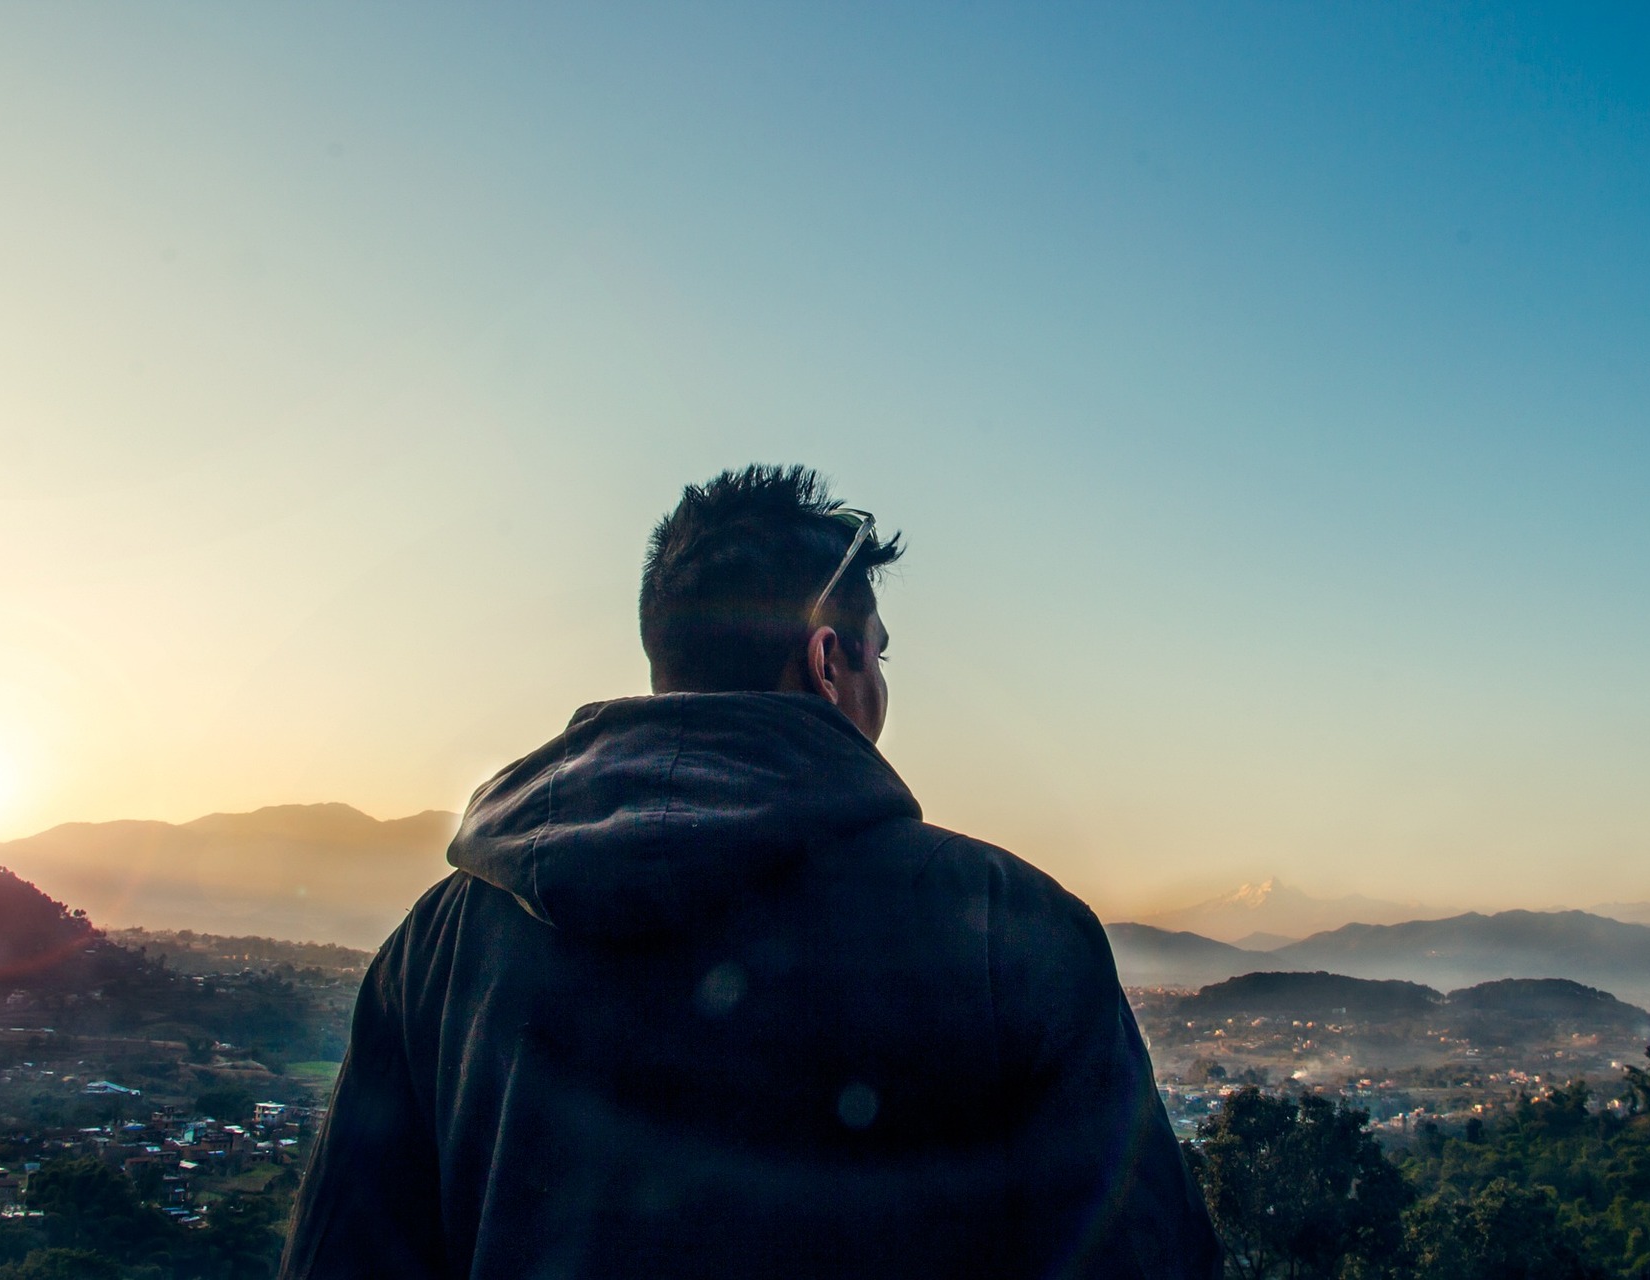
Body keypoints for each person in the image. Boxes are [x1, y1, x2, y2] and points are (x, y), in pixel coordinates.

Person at [281, 465, 1222, 1279]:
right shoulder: (1010, 931)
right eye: (878, 654)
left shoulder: (438, 948)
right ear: (827, 662)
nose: (882, 685)